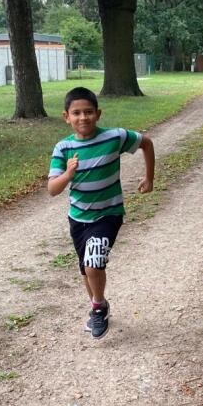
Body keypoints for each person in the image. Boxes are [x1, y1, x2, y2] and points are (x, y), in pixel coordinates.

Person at [48, 86, 155, 339]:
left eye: (88, 112)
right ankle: (100, 304)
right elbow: (53, 189)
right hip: (78, 218)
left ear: (98, 113)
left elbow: (146, 143)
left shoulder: (114, 137)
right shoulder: (63, 149)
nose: (83, 117)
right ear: (66, 117)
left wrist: (149, 178)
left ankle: (97, 309)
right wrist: (68, 174)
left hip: (109, 214)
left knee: (93, 263)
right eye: (76, 113)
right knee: (87, 270)